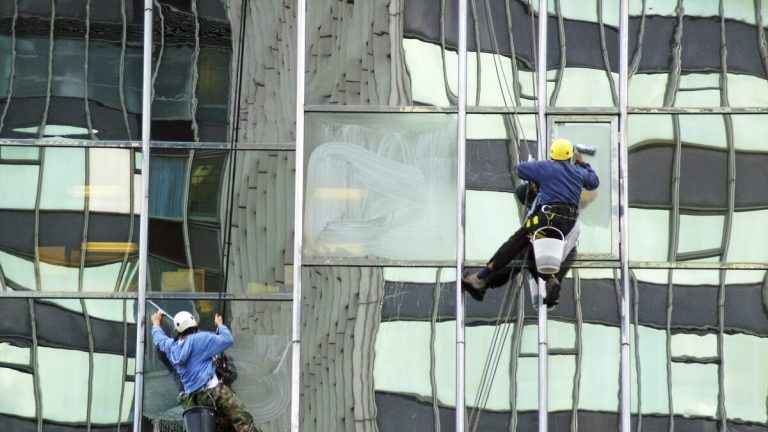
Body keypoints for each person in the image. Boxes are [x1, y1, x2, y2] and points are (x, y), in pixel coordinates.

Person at [463, 138, 599, 308]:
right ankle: (550, 280)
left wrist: (539, 172)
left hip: (547, 218)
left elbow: (520, 169)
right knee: (531, 250)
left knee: (515, 242)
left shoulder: (547, 167)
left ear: (552, 155)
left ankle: (480, 278)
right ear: (570, 156)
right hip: (567, 224)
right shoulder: (578, 172)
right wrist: (582, 164)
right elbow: (594, 182)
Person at [151, 310, 259, 432]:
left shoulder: (172, 347)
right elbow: (227, 340)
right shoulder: (200, 339)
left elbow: (159, 339)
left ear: (178, 330)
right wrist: (220, 325)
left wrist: (156, 323)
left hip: (196, 400)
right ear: (195, 325)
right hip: (214, 392)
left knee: (220, 426)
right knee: (242, 418)